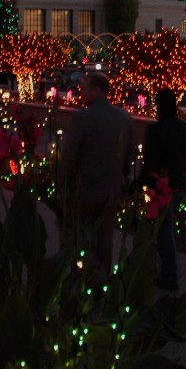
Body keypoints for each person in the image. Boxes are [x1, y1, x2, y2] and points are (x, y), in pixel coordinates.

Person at [61, 72, 134, 282]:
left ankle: (82, 279)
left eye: (85, 88)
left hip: (84, 189)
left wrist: (64, 185)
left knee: (80, 235)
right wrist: (122, 178)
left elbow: (70, 155)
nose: (81, 92)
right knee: (105, 238)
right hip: (110, 190)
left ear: (97, 90)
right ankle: (101, 280)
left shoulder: (82, 118)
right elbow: (129, 153)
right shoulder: (124, 118)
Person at [141, 88, 186, 291]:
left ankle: (169, 275)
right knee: (167, 228)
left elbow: (150, 162)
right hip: (181, 184)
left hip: (163, 188)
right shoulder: (185, 128)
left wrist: (141, 184)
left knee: (163, 230)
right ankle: (165, 267)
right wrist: (182, 169)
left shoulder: (156, 130)